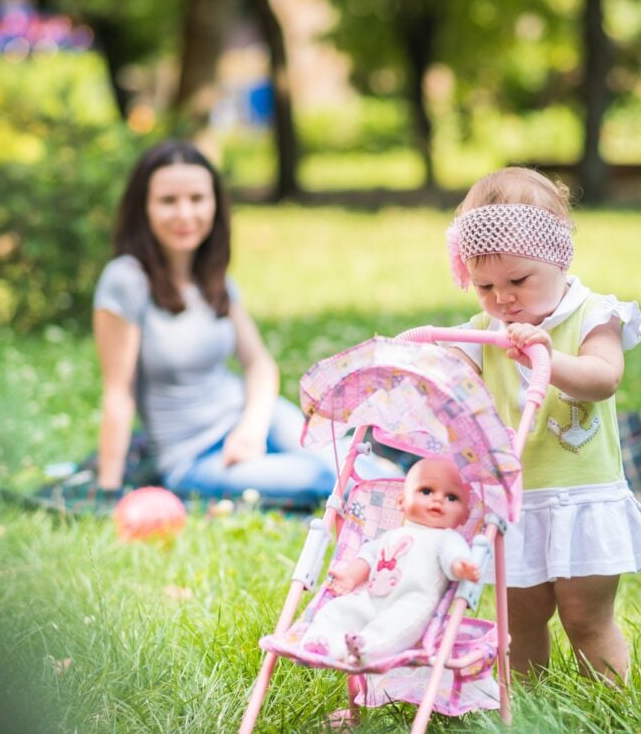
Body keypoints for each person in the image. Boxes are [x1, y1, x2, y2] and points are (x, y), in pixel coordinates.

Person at [443, 166, 641, 685]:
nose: (503, 299)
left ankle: (611, 704)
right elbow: (453, 382)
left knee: (586, 618)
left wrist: (545, 356)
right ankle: (528, 708)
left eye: (518, 281)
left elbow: (603, 378)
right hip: (518, 503)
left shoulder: (593, 315)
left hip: (582, 497)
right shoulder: (484, 332)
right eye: (484, 287)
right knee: (518, 623)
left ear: (557, 258)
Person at [91, 139, 343, 510]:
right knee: (321, 477)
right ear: (142, 208)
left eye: (197, 198)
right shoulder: (125, 280)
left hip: (253, 417)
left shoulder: (213, 279)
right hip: (193, 458)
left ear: (215, 205)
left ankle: (424, 494)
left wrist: (251, 427)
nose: (184, 214)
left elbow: (259, 365)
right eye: (167, 201)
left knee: (346, 460)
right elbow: (119, 392)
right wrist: (108, 491)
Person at [299, 457, 480, 666]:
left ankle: (367, 649)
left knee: (396, 625)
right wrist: (350, 577)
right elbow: (368, 555)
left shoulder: (447, 538)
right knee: (339, 609)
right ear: (402, 501)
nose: (437, 500)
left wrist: (460, 566)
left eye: (451, 497)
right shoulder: (392, 535)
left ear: (464, 516)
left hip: (412, 603)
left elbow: (453, 557)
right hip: (372, 597)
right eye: (427, 491)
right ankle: (323, 643)